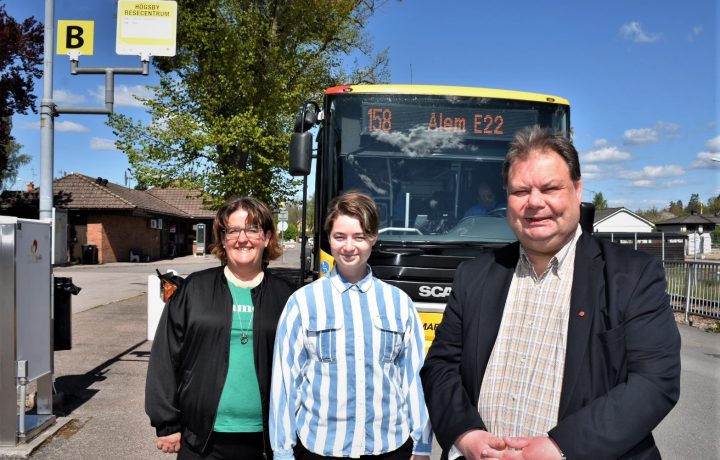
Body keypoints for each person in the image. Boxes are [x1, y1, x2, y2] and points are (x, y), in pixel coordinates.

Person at [420, 125, 681, 460]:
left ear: (576, 189)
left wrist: (561, 448)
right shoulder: (474, 276)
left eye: (550, 188)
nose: (534, 202)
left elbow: (654, 382)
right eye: (520, 190)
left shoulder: (633, 276)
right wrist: (465, 434)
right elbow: (440, 366)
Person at [270, 191, 433, 460]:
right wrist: (282, 450)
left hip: (389, 447)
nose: (349, 247)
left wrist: (423, 444)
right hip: (321, 448)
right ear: (328, 238)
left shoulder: (399, 304)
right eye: (340, 237)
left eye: (359, 237)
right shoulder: (302, 303)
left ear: (373, 238)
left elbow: (413, 378)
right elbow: (287, 381)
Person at [146, 196, 295, 459]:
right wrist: (166, 422)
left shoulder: (287, 297)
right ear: (223, 239)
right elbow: (165, 357)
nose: (242, 238)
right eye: (233, 230)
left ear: (267, 237)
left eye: (252, 229)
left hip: (267, 440)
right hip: (202, 439)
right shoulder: (193, 289)